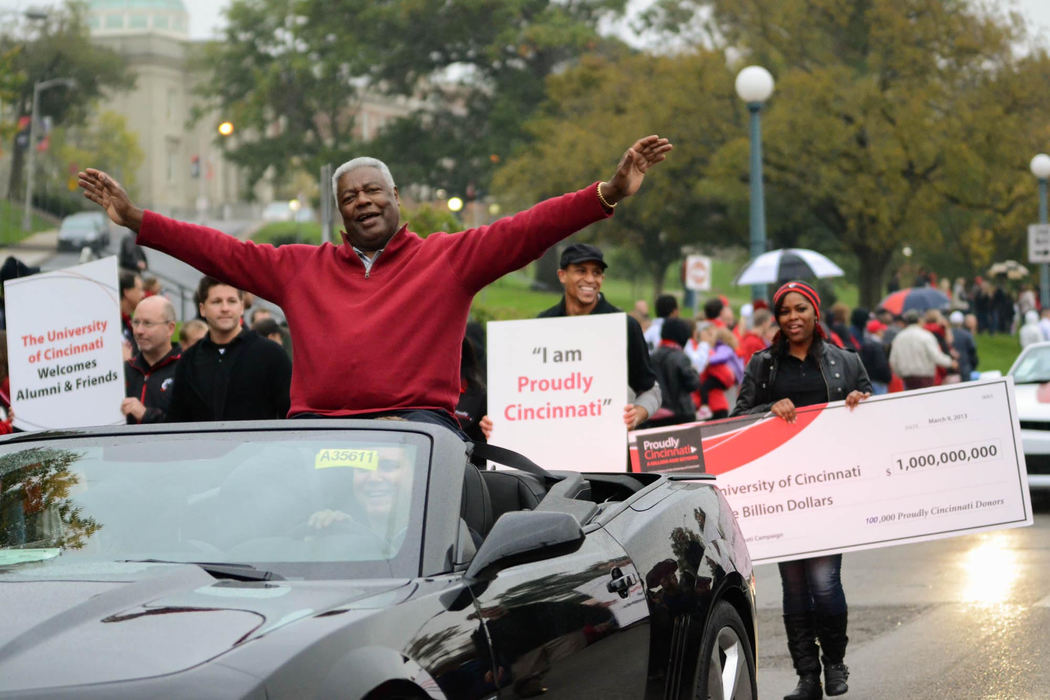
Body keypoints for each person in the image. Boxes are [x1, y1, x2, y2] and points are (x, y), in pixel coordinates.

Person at [78, 135, 672, 434]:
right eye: (349, 197)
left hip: (419, 432)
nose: (361, 201)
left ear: (395, 198)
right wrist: (137, 220)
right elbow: (219, 250)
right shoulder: (297, 268)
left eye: (372, 191)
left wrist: (609, 192)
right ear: (340, 212)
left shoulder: (449, 259)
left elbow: (530, 227)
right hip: (317, 434)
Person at [732, 280, 871, 700]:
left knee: (825, 584)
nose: (793, 318)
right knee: (794, 589)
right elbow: (737, 418)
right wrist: (766, 410)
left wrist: (859, 402)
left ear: (816, 312)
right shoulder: (763, 365)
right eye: (785, 312)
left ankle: (834, 663)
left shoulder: (845, 362)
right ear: (777, 319)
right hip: (783, 493)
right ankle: (807, 676)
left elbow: (877, 412)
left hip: (830, 488)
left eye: (801, 309)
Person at [538, 243, 661, 429]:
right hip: (555, 440)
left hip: (606, 442)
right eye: (581, 271)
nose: (590, 279)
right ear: (562, 275)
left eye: (596, 273)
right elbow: (529, 392)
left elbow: (651, 390)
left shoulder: (625, 326)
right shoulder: (541, 325)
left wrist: (637, 414)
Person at [166, 276, 292, 422]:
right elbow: (176, 420)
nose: (225, 308)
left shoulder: (272, 355)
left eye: (231, 301)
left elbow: (290, 415)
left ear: (242, 306)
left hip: (258, 444)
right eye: (216, 301)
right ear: (202, 309)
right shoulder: (189, 360)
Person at [122, 296, 181, 424]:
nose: (139, 331)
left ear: (170, 328)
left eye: (148, 323)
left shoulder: (187, 370)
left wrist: (147, 415)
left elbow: (193, 426)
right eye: (136, 322)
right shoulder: (125, 371)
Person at [647, 317, 699, 426]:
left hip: (656, 413)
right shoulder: (681, 357)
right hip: (681, 413)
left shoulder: (652, 356)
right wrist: (694, 371)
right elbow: (692, 384)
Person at [888, 309, 956, 390]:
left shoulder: (898, 337)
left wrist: (899, 374)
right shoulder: (926, 336)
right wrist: (950, 362)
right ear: (919, 320)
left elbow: (892, 360)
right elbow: (935, 356)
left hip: (907, 379)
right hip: (925, 378)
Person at [118, 270, 145, 358]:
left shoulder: (128, 321)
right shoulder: (114, 324)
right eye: (140, 289)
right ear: (127, 292)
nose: (143, 294)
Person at [948, 310, 978, 381]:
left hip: (951, 367)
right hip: (965, 367)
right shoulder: (967, 335)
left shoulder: (947, 334)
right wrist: (974, 364)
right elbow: (972, 351)